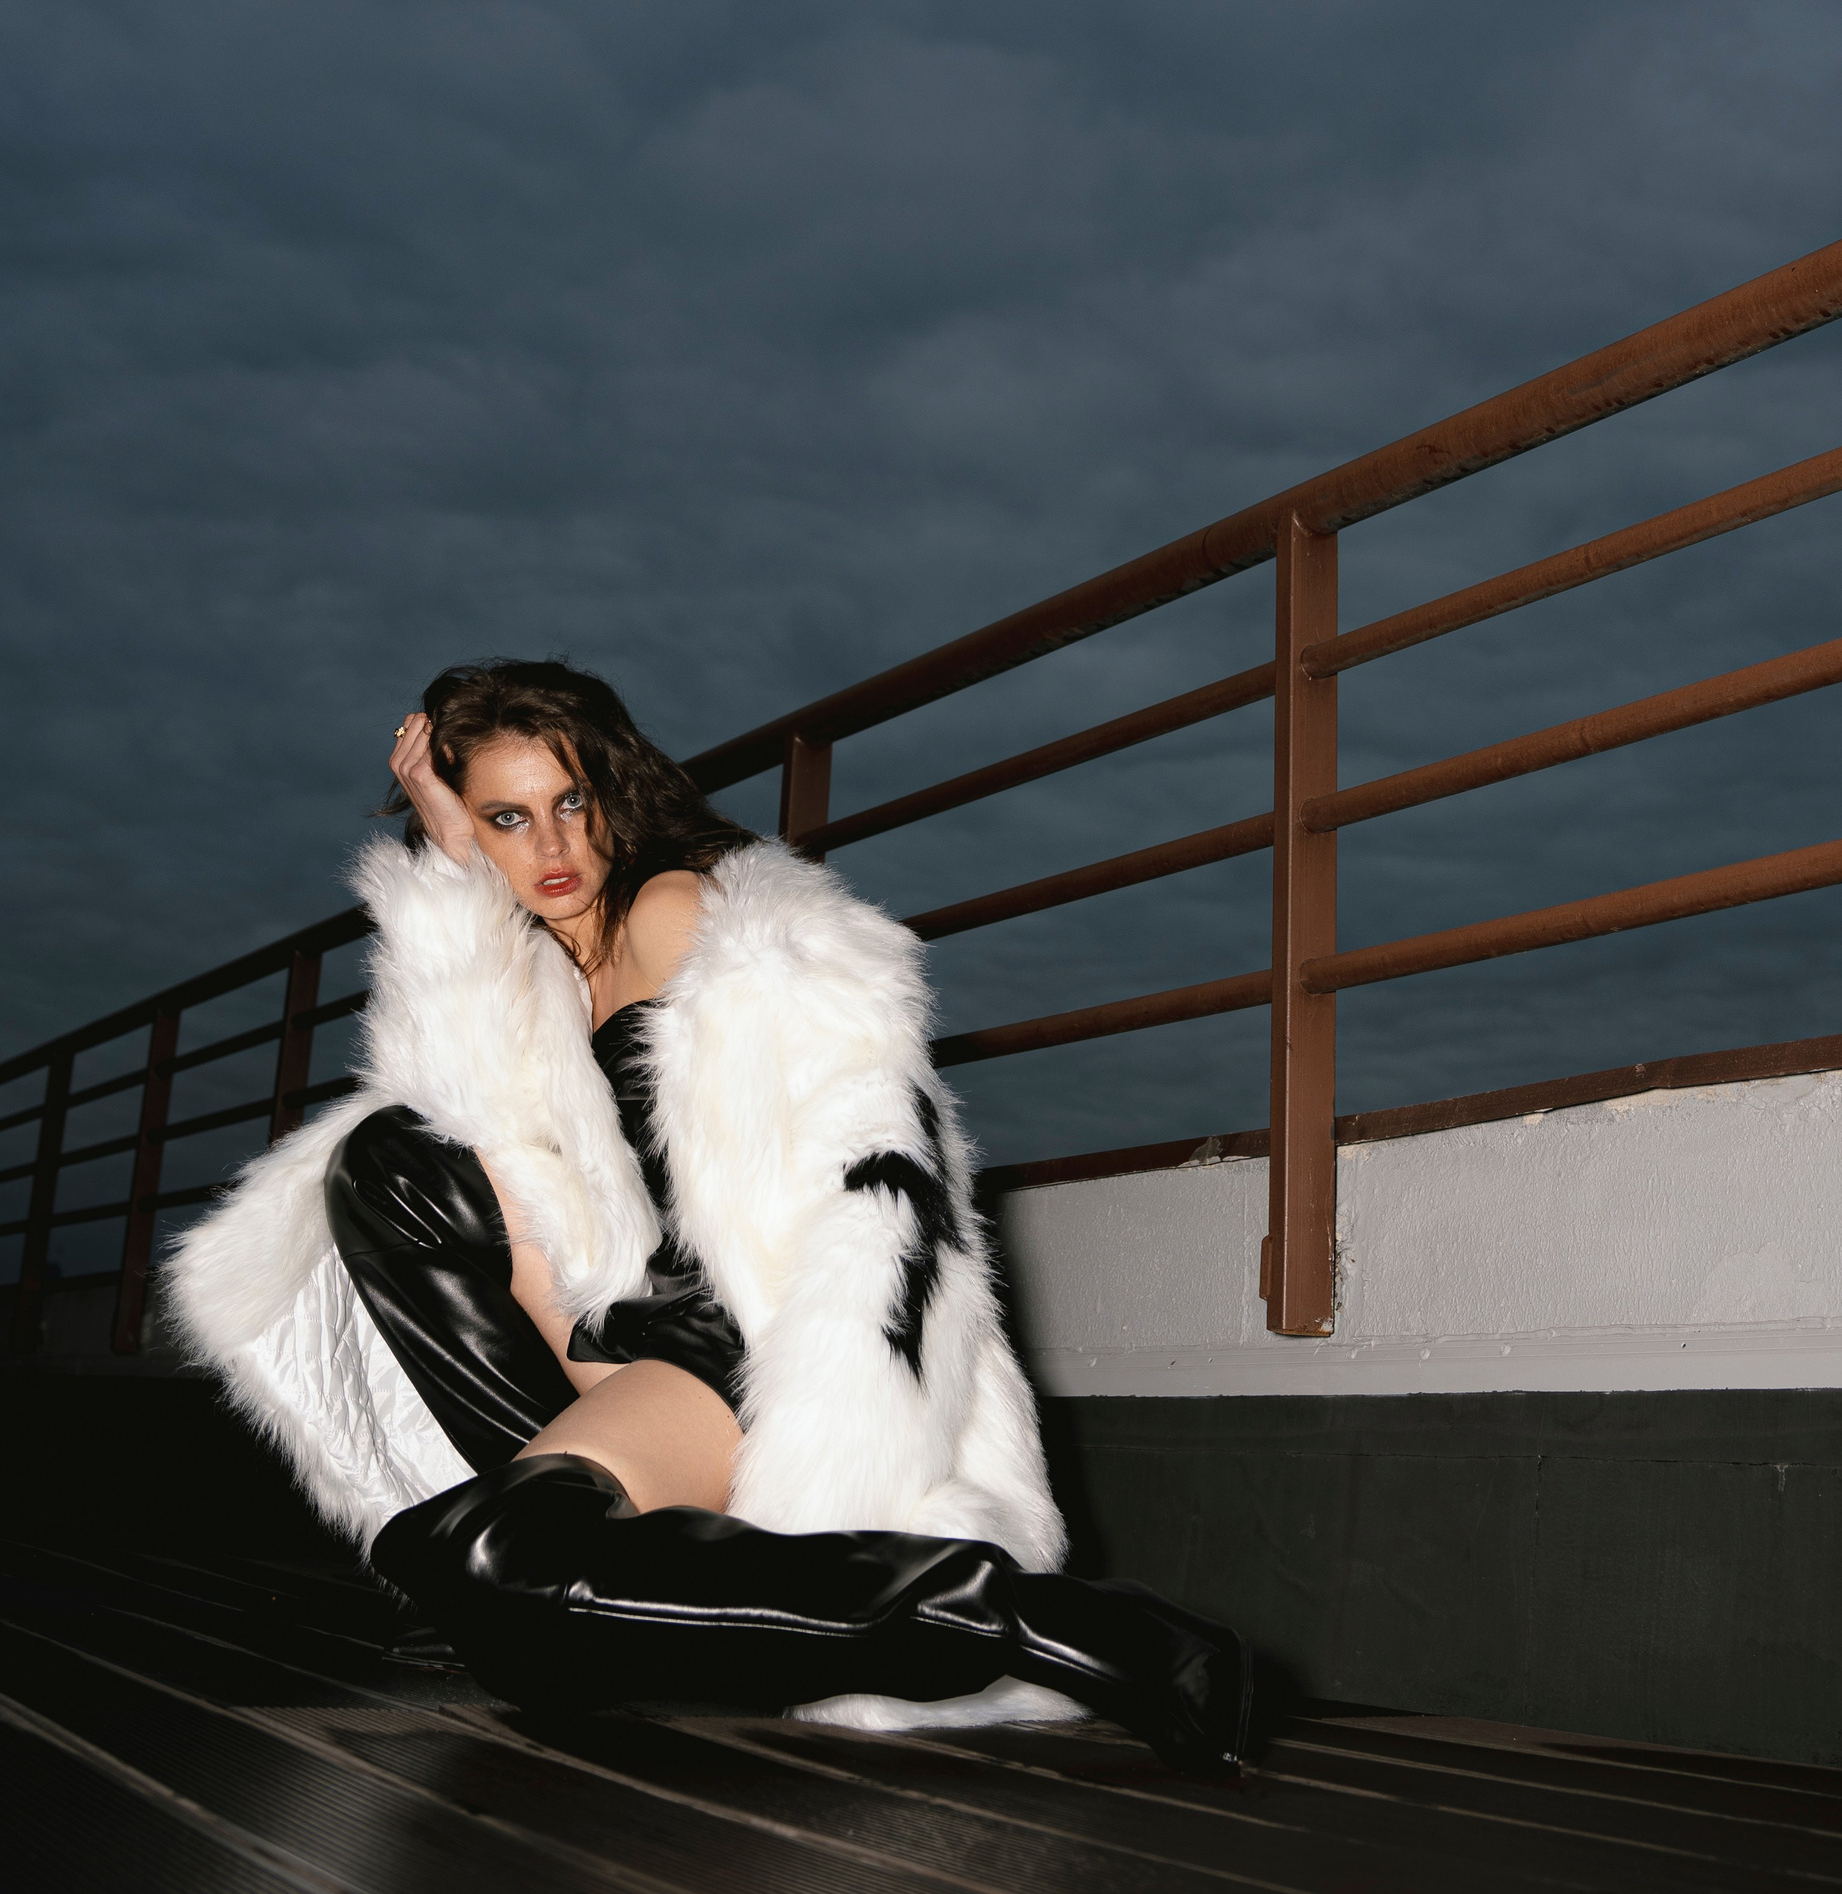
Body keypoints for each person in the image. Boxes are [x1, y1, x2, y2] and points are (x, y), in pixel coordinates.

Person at [167, 658, 1254, 1773]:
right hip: (633, 1337)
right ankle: (594, 1570)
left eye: (571, 801)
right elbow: (472, 1125)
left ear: (614, 790)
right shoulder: (538, 960)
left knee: (496, 1566)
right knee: (388, 1160)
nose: (552, 846)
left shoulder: (677, 912)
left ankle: (1048, 1623)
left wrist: (838, 1398)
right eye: (507, 818)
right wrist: (451, 866)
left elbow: (868, 1169)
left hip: (754, 1338)